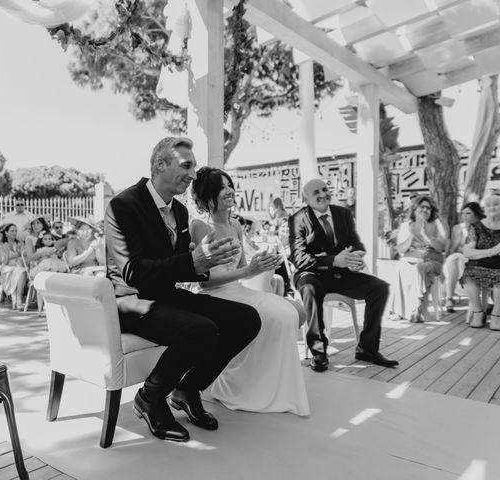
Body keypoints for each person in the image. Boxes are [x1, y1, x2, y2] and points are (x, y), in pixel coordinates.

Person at [105, 137, 261, 442]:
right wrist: (192, 259)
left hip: (166, 295)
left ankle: (188, 388)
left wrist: (205, 261)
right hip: (130, 300)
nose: (192, 174)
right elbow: (133, 273)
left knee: (246, 319)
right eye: (186, 165)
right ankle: (150, 397)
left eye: (194, 167)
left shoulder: (178, 211)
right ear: (161, 164)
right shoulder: (123, 205)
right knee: (200, 329)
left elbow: (183, 264)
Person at [190, 167, 309, 414]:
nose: (229, 191)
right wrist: (247, 272)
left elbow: (244, 268)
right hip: (215, 294)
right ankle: (239, 383)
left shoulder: (235, 224)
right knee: (284, 314)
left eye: (229, 185)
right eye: (221, 187)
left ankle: (260, 378)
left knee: (297, 312)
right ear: (207, 195)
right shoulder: (200, 226)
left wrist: (261, 265)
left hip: (238, 289)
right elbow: (204, 281)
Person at [289, 178, 397, 371]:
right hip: (311, 273)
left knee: (380, 288)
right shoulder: (298, 219)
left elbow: (357, 244)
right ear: (306, 198)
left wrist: (355, 257)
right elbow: (299, 258)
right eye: (316, 192)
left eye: (325, 189)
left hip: (341, 274)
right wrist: (333, 260)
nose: (323, 194)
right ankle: (319, 352)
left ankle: (367, 349)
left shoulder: (343, 213)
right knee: (310, 288)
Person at [396, 195, 448, 323]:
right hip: (411, 260)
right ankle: (400, 311)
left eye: (428, 208)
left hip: (432, 261)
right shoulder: (406, 226)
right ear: (414, 209)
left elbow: (441, 247)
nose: (425, 210)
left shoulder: (438, 224)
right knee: (401, 266)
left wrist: (425, 235)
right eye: (422, 207)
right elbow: (400, 250)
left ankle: (417, 309)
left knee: (420, 268)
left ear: (431, 211)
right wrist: (410, 237)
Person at [462, 194, 500, 330]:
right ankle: (478, 313)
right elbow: (467, 252)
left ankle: (496, 315)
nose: (492, 207)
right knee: (469, 275)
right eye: (488, 205)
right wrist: (493, 250)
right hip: (479, 264)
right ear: (484, 209)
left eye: (496, 204)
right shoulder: (476, 226)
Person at [443, 202, 484, 312]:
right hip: (458, 257)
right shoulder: (457, 228)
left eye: (468, 213)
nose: (464, 216)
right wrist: (459, 237)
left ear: (476, 214)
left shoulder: (482, 227)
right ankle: (449, 298)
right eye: (463, 213)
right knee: (454, 259)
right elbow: (452, 250)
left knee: (456, 260)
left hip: (475, 258)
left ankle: (450, 298)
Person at [0, 223, 28, 310]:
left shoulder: (19, 243)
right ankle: (19, 299)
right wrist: (16, 254)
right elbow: (4, 261)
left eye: (16, 231)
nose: (14, 232)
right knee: (21, 271)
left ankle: (19, 299)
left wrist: (18, 255)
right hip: (7, 269)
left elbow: (25, 256)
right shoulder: (1, 245)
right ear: (6, 233)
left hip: (19, 266)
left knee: (21, 270)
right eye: (12, 231)